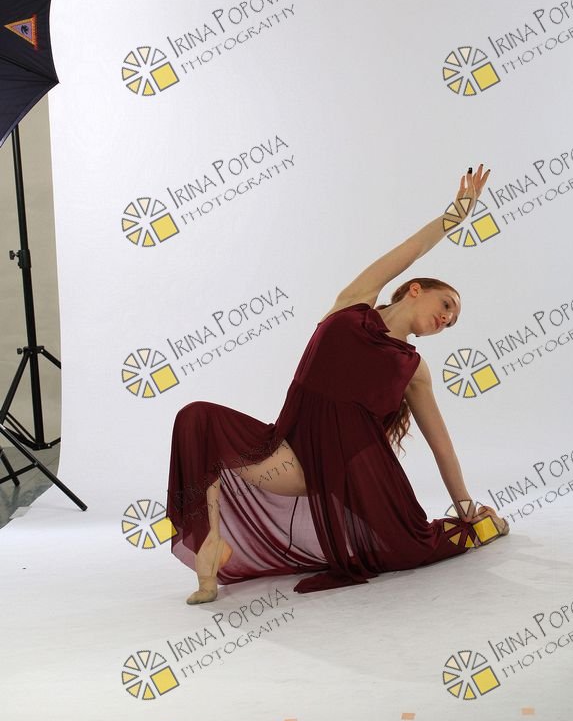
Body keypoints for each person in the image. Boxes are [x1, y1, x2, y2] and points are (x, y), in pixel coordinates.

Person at [166, 164, 509, 605]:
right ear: (415, 289)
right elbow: (409, 251)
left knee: (411, 549)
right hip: (290, 455)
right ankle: (211, 545)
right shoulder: (353, 305)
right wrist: (454, 216)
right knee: (196, 418)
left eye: (452, 320)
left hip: (357, 473)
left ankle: (482, 528)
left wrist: (466, 509)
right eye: (446, 304)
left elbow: (442, 446)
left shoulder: (414, 368)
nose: (447, 318)